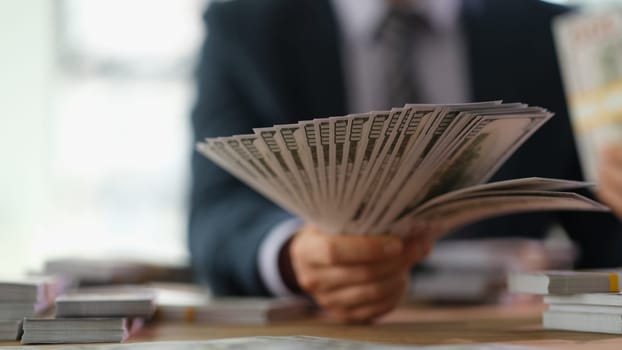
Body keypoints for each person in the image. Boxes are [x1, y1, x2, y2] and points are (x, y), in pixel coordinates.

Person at [189, 0, 622, 323]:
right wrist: (293, 254)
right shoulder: (244, 28)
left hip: (503, 328)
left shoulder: (549, 32)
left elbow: (602, 231)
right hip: (331, 328)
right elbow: (217, 213)